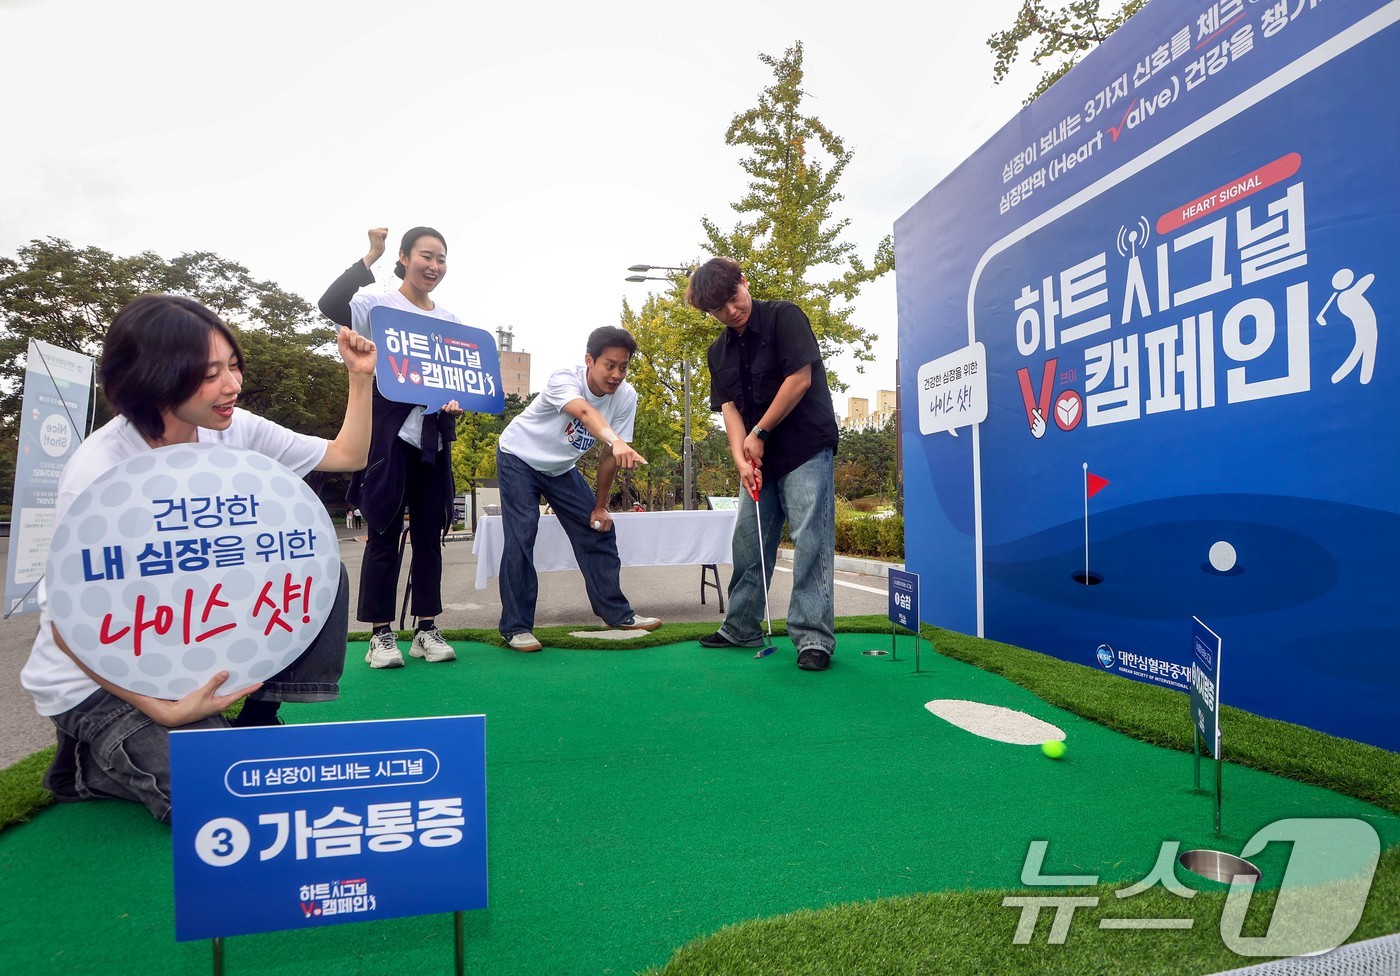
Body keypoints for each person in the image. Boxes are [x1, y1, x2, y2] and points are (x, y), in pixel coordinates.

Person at [20, 293, 376, 822]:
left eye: (233, 366)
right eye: (209, 374)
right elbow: (70, 624)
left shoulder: (232, 427)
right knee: (224, 795)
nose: (232, 385)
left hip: (187, 648)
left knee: (311, 555)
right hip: (102, 679)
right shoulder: (103, 470)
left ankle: (258, 717)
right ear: (155, 375)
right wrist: (161, 708)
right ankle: (85, 764)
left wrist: (360, 377)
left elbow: (347, 455)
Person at [685, 257, 839, 671]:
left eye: (733, 298)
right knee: (748, 540)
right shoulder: (717, 351)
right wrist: (741, 458)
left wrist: (761, 434)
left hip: (804, 445)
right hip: (758, 456)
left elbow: (799, 380)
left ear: (744, 282)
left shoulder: (784, 317)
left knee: (810, 539)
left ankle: (813, 639)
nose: (731, 311)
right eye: (718, 309)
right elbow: (731, 411)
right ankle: (741, 626)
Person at [319, 227, 462, 669]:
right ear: (403, 257)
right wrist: (370, 256)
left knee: (429, 534)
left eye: (441, 258)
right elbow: (329, 305)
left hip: (433, 436)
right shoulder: (376, 305)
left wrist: (456, 405)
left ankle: (426, 628)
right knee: (382, 528)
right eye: (425, 256)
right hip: (388, 432)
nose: (433, 266)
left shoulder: (451, 321)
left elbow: (458, 379)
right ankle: (379, 635)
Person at [494, 326, 661, 650]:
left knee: (598, 529)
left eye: (623, 367)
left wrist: (600, 506)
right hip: (519, 457)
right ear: (590, 361)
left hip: (559, 468)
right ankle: (515, 627)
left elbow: (609, 457)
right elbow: (585, 413)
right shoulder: (565, 380)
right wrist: (614, 441)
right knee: (522, 533)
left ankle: (616, 613)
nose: (616, 375)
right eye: (609, 365)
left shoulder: (626, 397)